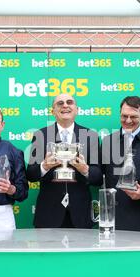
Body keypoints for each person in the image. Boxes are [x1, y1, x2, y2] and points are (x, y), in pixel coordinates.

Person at [26, 94, 103, 228]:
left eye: (69, 102)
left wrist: (85, 169)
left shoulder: (91, 136)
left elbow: (98, 178)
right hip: (49, 213)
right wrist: (44, 166)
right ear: (53, 111)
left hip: (80, 213)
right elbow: (31, 175)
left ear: (77, 109)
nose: (65, 105)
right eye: (60, 103)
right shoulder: (40, 135)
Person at [101, 96, 140, 232]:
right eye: (124, 116)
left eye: (134, 116)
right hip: (111, 217)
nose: (128, 121)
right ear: (119, 114)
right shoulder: (107, 142)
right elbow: (98, 176)